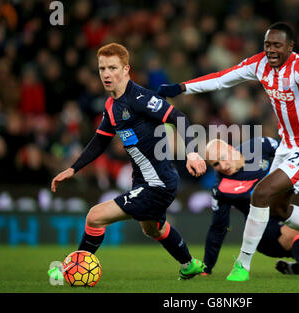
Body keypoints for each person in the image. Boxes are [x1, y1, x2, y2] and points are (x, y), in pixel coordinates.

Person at [157, 22, 299, 281]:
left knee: (260, 193)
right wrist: (183, 87)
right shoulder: (259, 63)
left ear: (290, 46)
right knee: (278, 210)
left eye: (277, 45)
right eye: (267, 44)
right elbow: (221, 78)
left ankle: (243, 264)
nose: (271, 50)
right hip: (287, 145)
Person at [49, 43, 207, 281]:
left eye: (112, 67)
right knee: (152, 228)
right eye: (102, 68)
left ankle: (72, 270)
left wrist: (192, 152)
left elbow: (178, 117)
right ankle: (189, 265)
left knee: (94, 216)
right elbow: (100, 141)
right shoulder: (112, 106)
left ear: (126, 70)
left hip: (157, 183)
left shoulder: (141, 98)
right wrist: (73, 168)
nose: (106, 74)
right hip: (145, 181)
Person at [203, 137, 299, 278]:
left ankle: (297, 267)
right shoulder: (221, 188)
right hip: (265, 233)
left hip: (285, 215)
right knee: (298, 231)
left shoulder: (259, 146)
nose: (222, 166)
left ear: (231, 149)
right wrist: (207, 267)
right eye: (216, 164)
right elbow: (218, 228)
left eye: (222, 158)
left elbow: (295, 154)